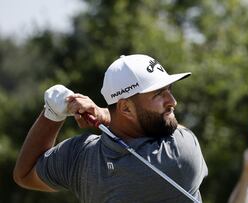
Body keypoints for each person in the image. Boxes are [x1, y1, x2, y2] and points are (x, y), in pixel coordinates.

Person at [13, 54, 208, 202]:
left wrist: (52, 115)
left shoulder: (80, 157)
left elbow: (24, 175)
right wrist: (103, 114)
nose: (172, 101)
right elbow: (175, 128)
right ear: (125, 108)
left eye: (169, 91)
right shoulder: (180, 153)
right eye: (159, 94)